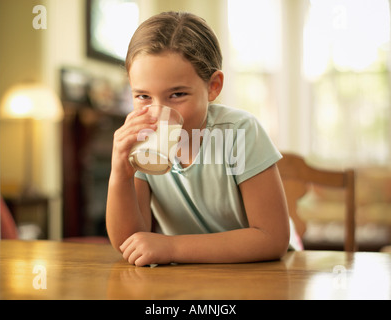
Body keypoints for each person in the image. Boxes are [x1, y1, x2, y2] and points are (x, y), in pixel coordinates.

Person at [106, 11, 299, 267]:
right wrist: (120, 174)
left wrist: (171, 247)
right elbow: (129, 243)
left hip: (259, 273)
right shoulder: (143, 143)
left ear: (213, 86)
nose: (158, 113)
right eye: (143, 96)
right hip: (188, 278)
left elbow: (272, 239)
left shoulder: (239, 133)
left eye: (176, 94)